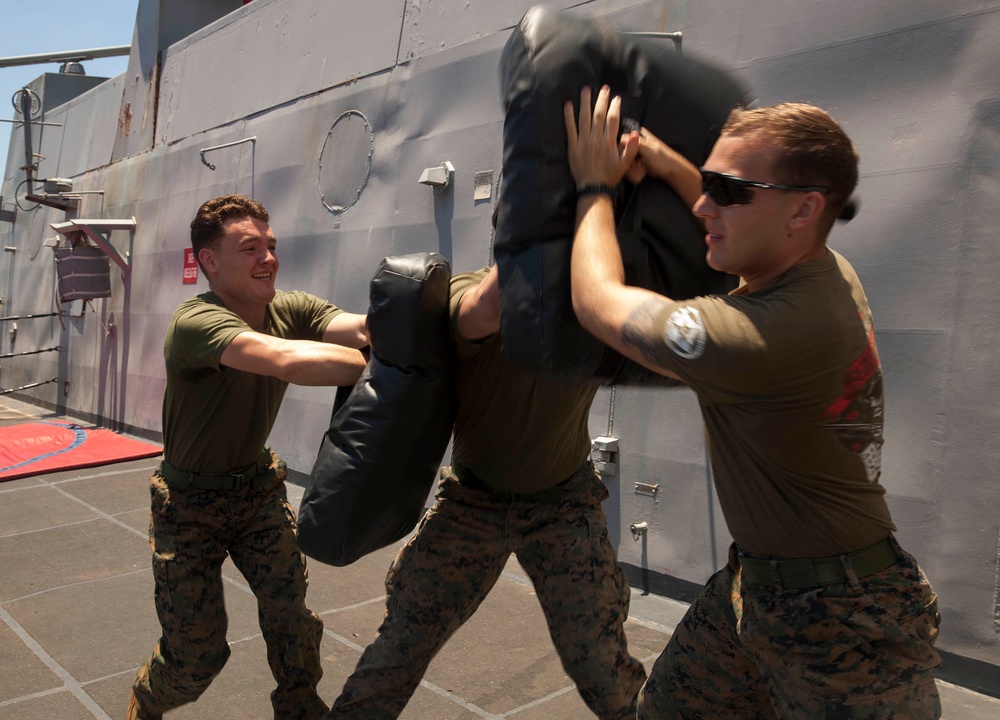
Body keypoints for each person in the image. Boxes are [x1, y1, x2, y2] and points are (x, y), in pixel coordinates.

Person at [563, 87, 942, 718]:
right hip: (758, 587)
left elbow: (597, 302)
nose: (706, 205)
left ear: (803, 210)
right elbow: (737, 229)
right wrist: (666, 163)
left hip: (845, 625)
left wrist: (592, 188)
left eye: (729, 191)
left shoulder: (753, 336)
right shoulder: (824, 269)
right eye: (709, 183)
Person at [323, 225, 647, 719]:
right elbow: (483, 313)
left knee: (602, 665)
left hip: (564, 506)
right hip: (472, 505)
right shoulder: (464, 294)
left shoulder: (592, 307)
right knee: (401, 645)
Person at [127, 194, 369, 720]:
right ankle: (145, 703)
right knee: (195, 658)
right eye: (250, 248)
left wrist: (396, 334)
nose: (268, 258)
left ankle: (300, 708)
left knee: (293, 622)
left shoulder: (291, 308)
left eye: (271, 246)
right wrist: (375, 364)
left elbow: (364, 329)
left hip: (256, 492)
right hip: (188, 506)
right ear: (210, 261)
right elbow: (284, 361)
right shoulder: (197, 322)